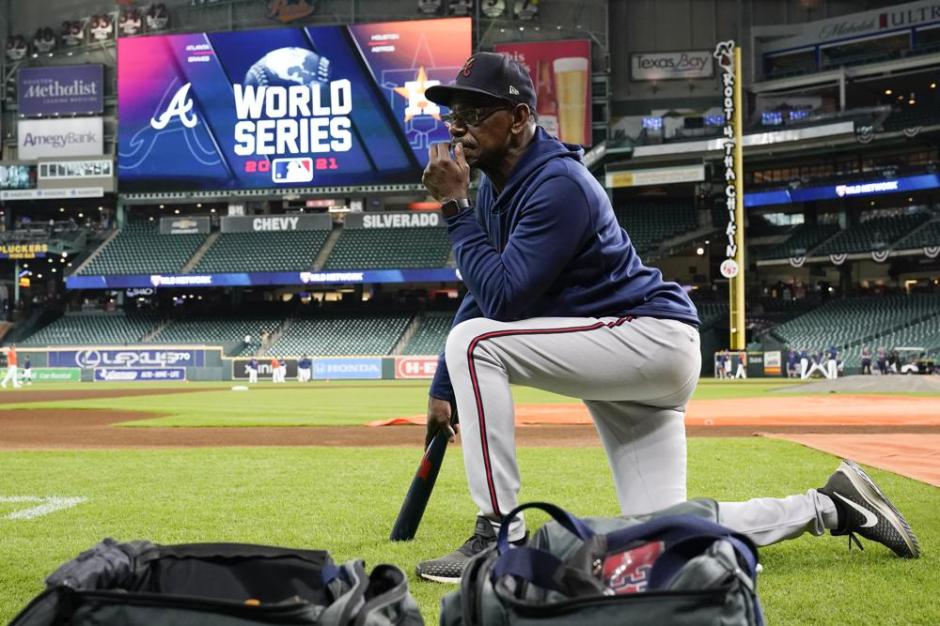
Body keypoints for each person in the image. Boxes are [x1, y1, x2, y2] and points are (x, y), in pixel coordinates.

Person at [412, 52, 920, 583]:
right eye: (454, 114)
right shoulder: (500, 190)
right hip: (625, 349)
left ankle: (498, 536)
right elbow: (481, 291)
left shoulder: (557, 182)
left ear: (518, 118)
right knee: (660, 534)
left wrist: (454, 207)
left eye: (474, 112)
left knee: (476, 343)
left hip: (647, 338)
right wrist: (443, 387)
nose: (457, 127)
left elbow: (502, 300)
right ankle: (831, 506)